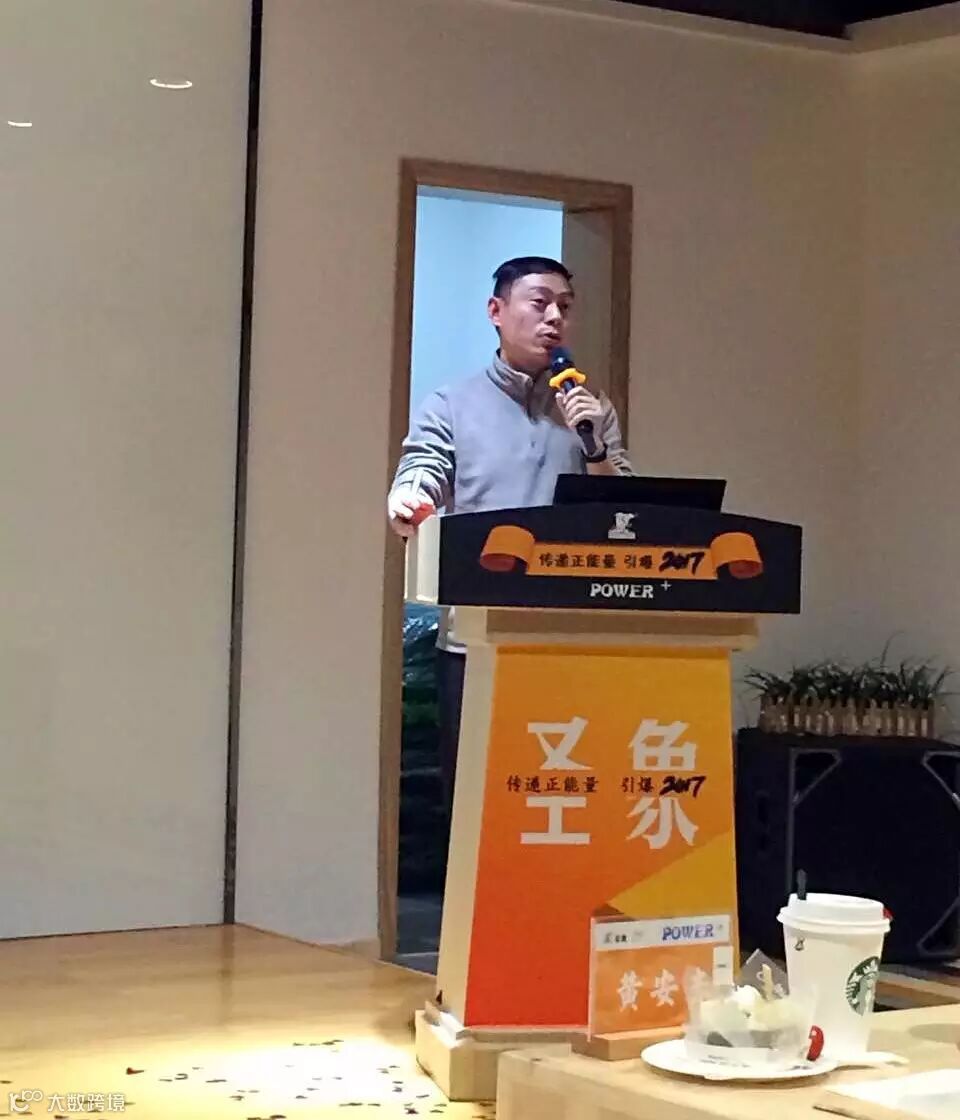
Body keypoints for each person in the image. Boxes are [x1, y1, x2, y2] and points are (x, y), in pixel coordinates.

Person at [388, 256, 633, 821]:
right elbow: (424, 466)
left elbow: (623, 508)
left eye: (565, 307)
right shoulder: (452, 403)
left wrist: (593, 444)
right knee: (478, 805)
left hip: (569, 637)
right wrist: (411, 495)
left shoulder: (591, 408)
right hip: (477, 639)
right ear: (496, 311)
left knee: (563, 795)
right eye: (540, 303)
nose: (555, 318)